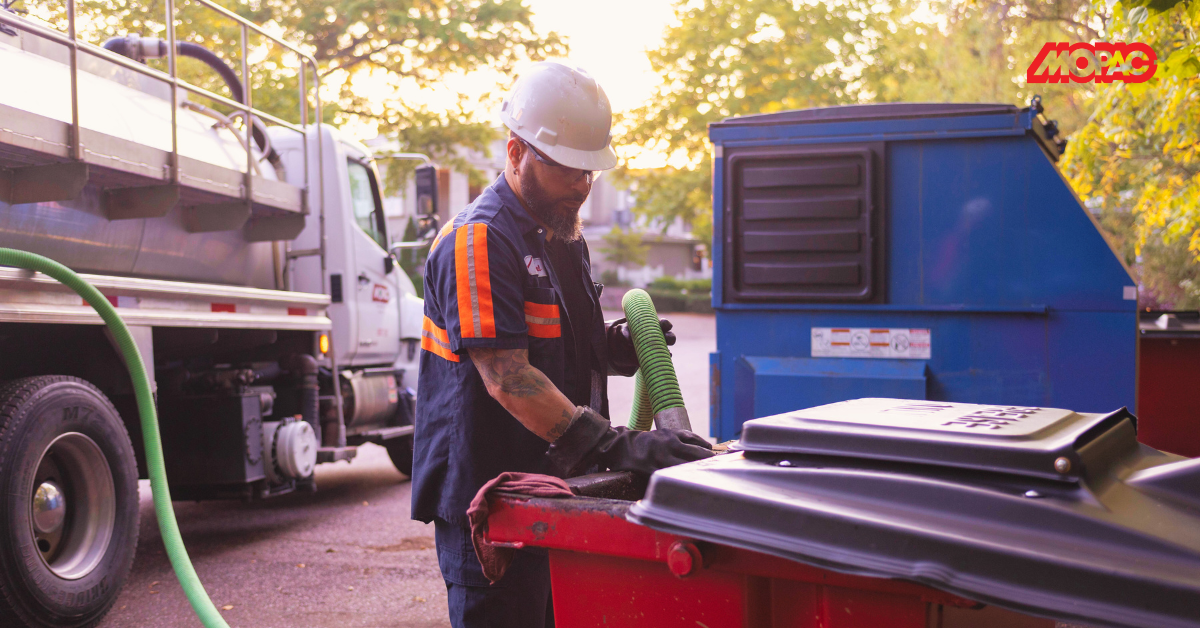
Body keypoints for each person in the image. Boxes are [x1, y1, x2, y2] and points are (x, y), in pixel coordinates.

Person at [410, 61, 715, 628]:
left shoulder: (561, 233)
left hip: (558, 492)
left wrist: (617, 348)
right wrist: (617, 446)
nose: (582, 185)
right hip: (493, 498)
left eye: (590, 171)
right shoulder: (479, 239)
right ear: (516, 152)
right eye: (568, 169)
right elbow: (507, 375)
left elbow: (557, 342)